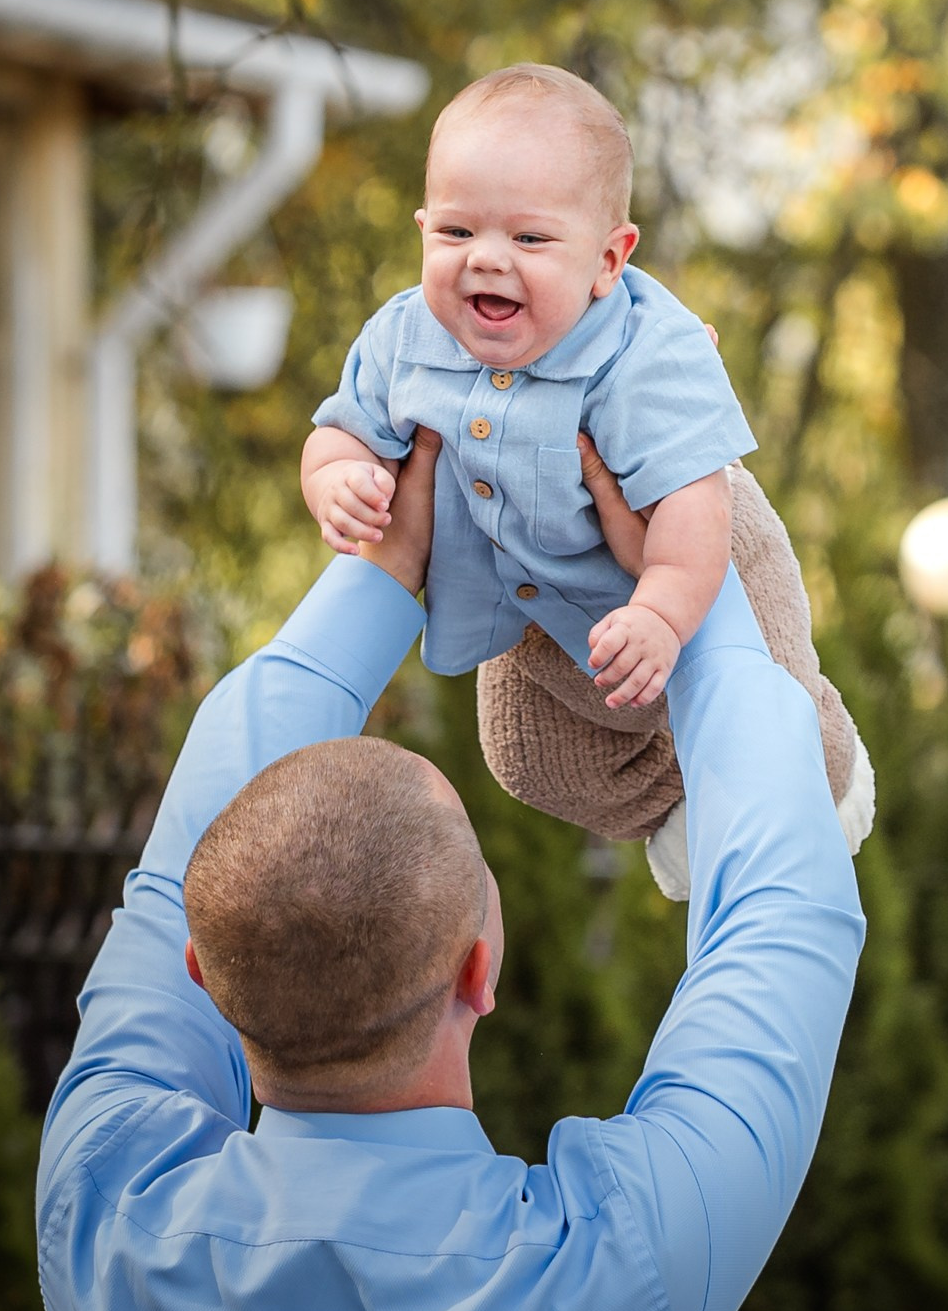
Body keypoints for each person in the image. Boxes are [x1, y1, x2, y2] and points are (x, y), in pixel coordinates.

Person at [36, 441, 865, 1311]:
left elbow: (783, 923)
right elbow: (784, 915)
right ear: (482, 967)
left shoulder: (103, 1221)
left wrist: (386, 569)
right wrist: (681, 560)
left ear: (202, 973)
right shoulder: (615, 1274)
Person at [298, 61, 869, 892]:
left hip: (703, 550)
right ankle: (683, 812)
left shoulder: (648, 349)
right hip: (533, 606)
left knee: (766, 715)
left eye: (529, 239)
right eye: (457, 233)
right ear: (422, 229)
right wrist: (338, 478)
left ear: (608, 259)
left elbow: (689, 506)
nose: (487, 260)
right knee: (525, 760)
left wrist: (668, 613)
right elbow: (335, 431)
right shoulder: (402, 339)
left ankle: (821, 782)